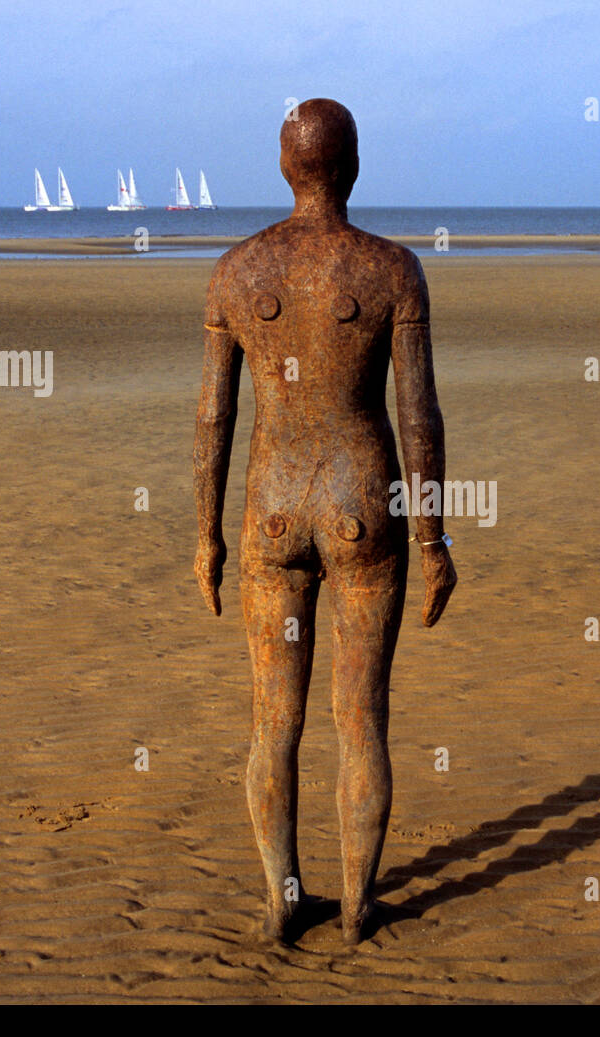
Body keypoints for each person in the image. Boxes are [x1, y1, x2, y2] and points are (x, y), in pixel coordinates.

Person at [194, 98, 457, 944]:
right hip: (361, 503)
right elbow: (419, 417)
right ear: (352, 167)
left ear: (285, 167)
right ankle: (354, 907)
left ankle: (281, 898)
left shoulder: (238, 270)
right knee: (361, 718)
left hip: (273, 506)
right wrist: (433, 538)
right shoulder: (391, 270)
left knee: (274, 722)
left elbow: (212, 418)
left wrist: (206, 535)